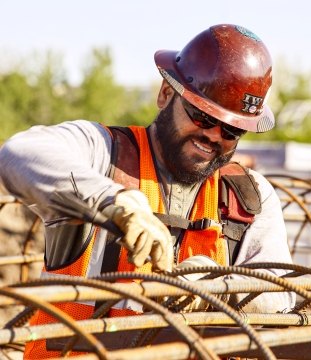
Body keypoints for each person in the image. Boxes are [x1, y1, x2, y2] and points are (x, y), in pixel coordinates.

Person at [0, 24, 295, 358]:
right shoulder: (104, 155)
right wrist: (115, 201)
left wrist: (218, 286)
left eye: (231, 128)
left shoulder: (247, 196)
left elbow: (280, 296)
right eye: (201, 116)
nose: (214, 135)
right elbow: (18, 154)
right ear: (166, 95)